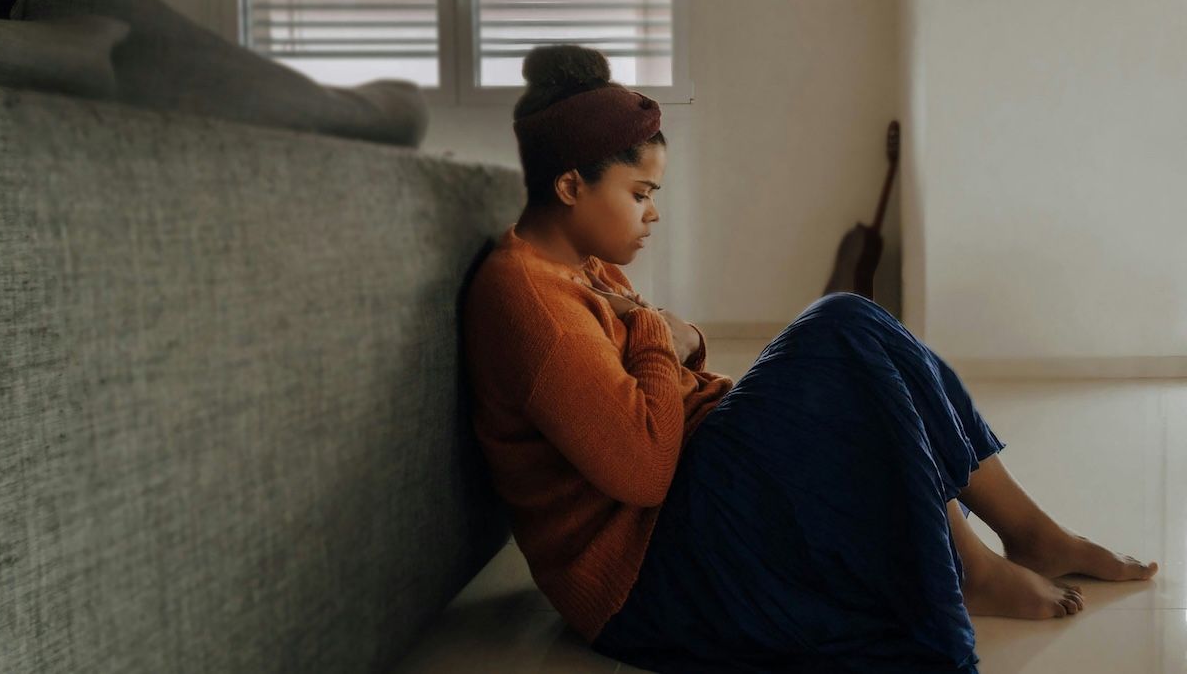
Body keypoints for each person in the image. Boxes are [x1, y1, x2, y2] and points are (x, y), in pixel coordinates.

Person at [460, 44, 1158, 674]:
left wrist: (676, 339)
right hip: (645, 572)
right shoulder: (528, 300)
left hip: (683, 497)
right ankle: (967, 566)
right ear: (570, 186)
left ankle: (1028, 533)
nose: (653, 215)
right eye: (640, 195)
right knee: (839, 327)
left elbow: (668, 360)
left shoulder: (581, 265)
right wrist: (651, 329)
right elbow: (642, 469)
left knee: (851, 326)